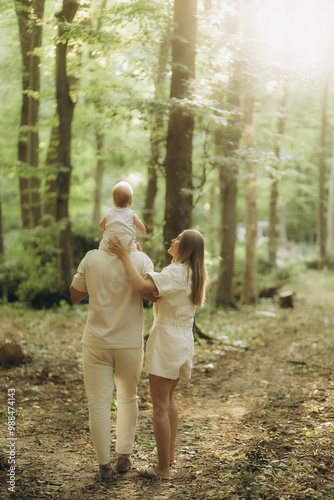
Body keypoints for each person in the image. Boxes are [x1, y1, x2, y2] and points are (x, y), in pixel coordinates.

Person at [109, 229, 208, 479]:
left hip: (167, 342)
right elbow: (153, 292)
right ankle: (169, 458)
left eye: (178, 239)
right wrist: (139, 262)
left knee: (160, 408)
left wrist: (124, 257)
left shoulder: (175, 272)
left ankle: (162, 469)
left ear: (185, 247)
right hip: (182, 341)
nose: (173, 240)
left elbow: (142, 286)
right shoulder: (192, 274)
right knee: (169, 402)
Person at [69, 244, 154, 481]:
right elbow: (151, 295)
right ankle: (124, 456)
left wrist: (96, 280)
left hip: (97, 342)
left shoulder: (91, 258)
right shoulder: (141, 259)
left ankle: (104, 465)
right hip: (129, 343)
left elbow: (75, 295)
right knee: (128, 397)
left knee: (98, 404)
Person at [99, 181, 146, 253]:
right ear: (130, 201)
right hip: (127, 248)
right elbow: (142, 227)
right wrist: (142, 233)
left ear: (113, 200)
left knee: (102, 244)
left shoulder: (108, 213)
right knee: (134, 246)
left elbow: (101, 226)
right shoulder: (132, 214)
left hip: (108, 247)